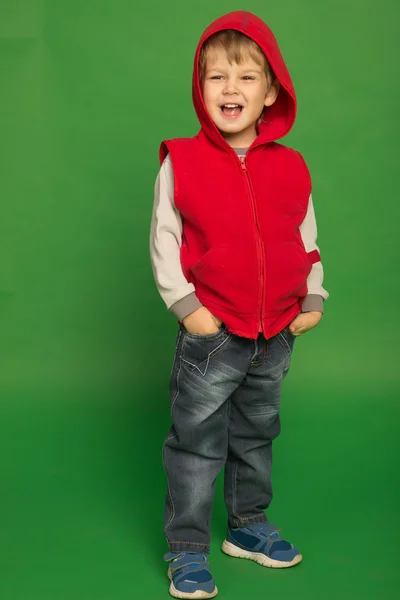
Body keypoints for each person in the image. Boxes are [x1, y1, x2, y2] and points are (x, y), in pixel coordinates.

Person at [150, 10, 329, 599]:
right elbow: (165, 239)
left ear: (272, 90)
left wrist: (313, 293)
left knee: (256, 434)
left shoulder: (292, 164)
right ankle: (187, 548)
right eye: (216, 78)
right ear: (200, 90)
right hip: (214, 331)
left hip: (276, 330)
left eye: (247, 77)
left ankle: (248, 528)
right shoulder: (182, 160)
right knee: (196, 442)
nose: (231, 89)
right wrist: (186, 307)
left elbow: (304, 235)